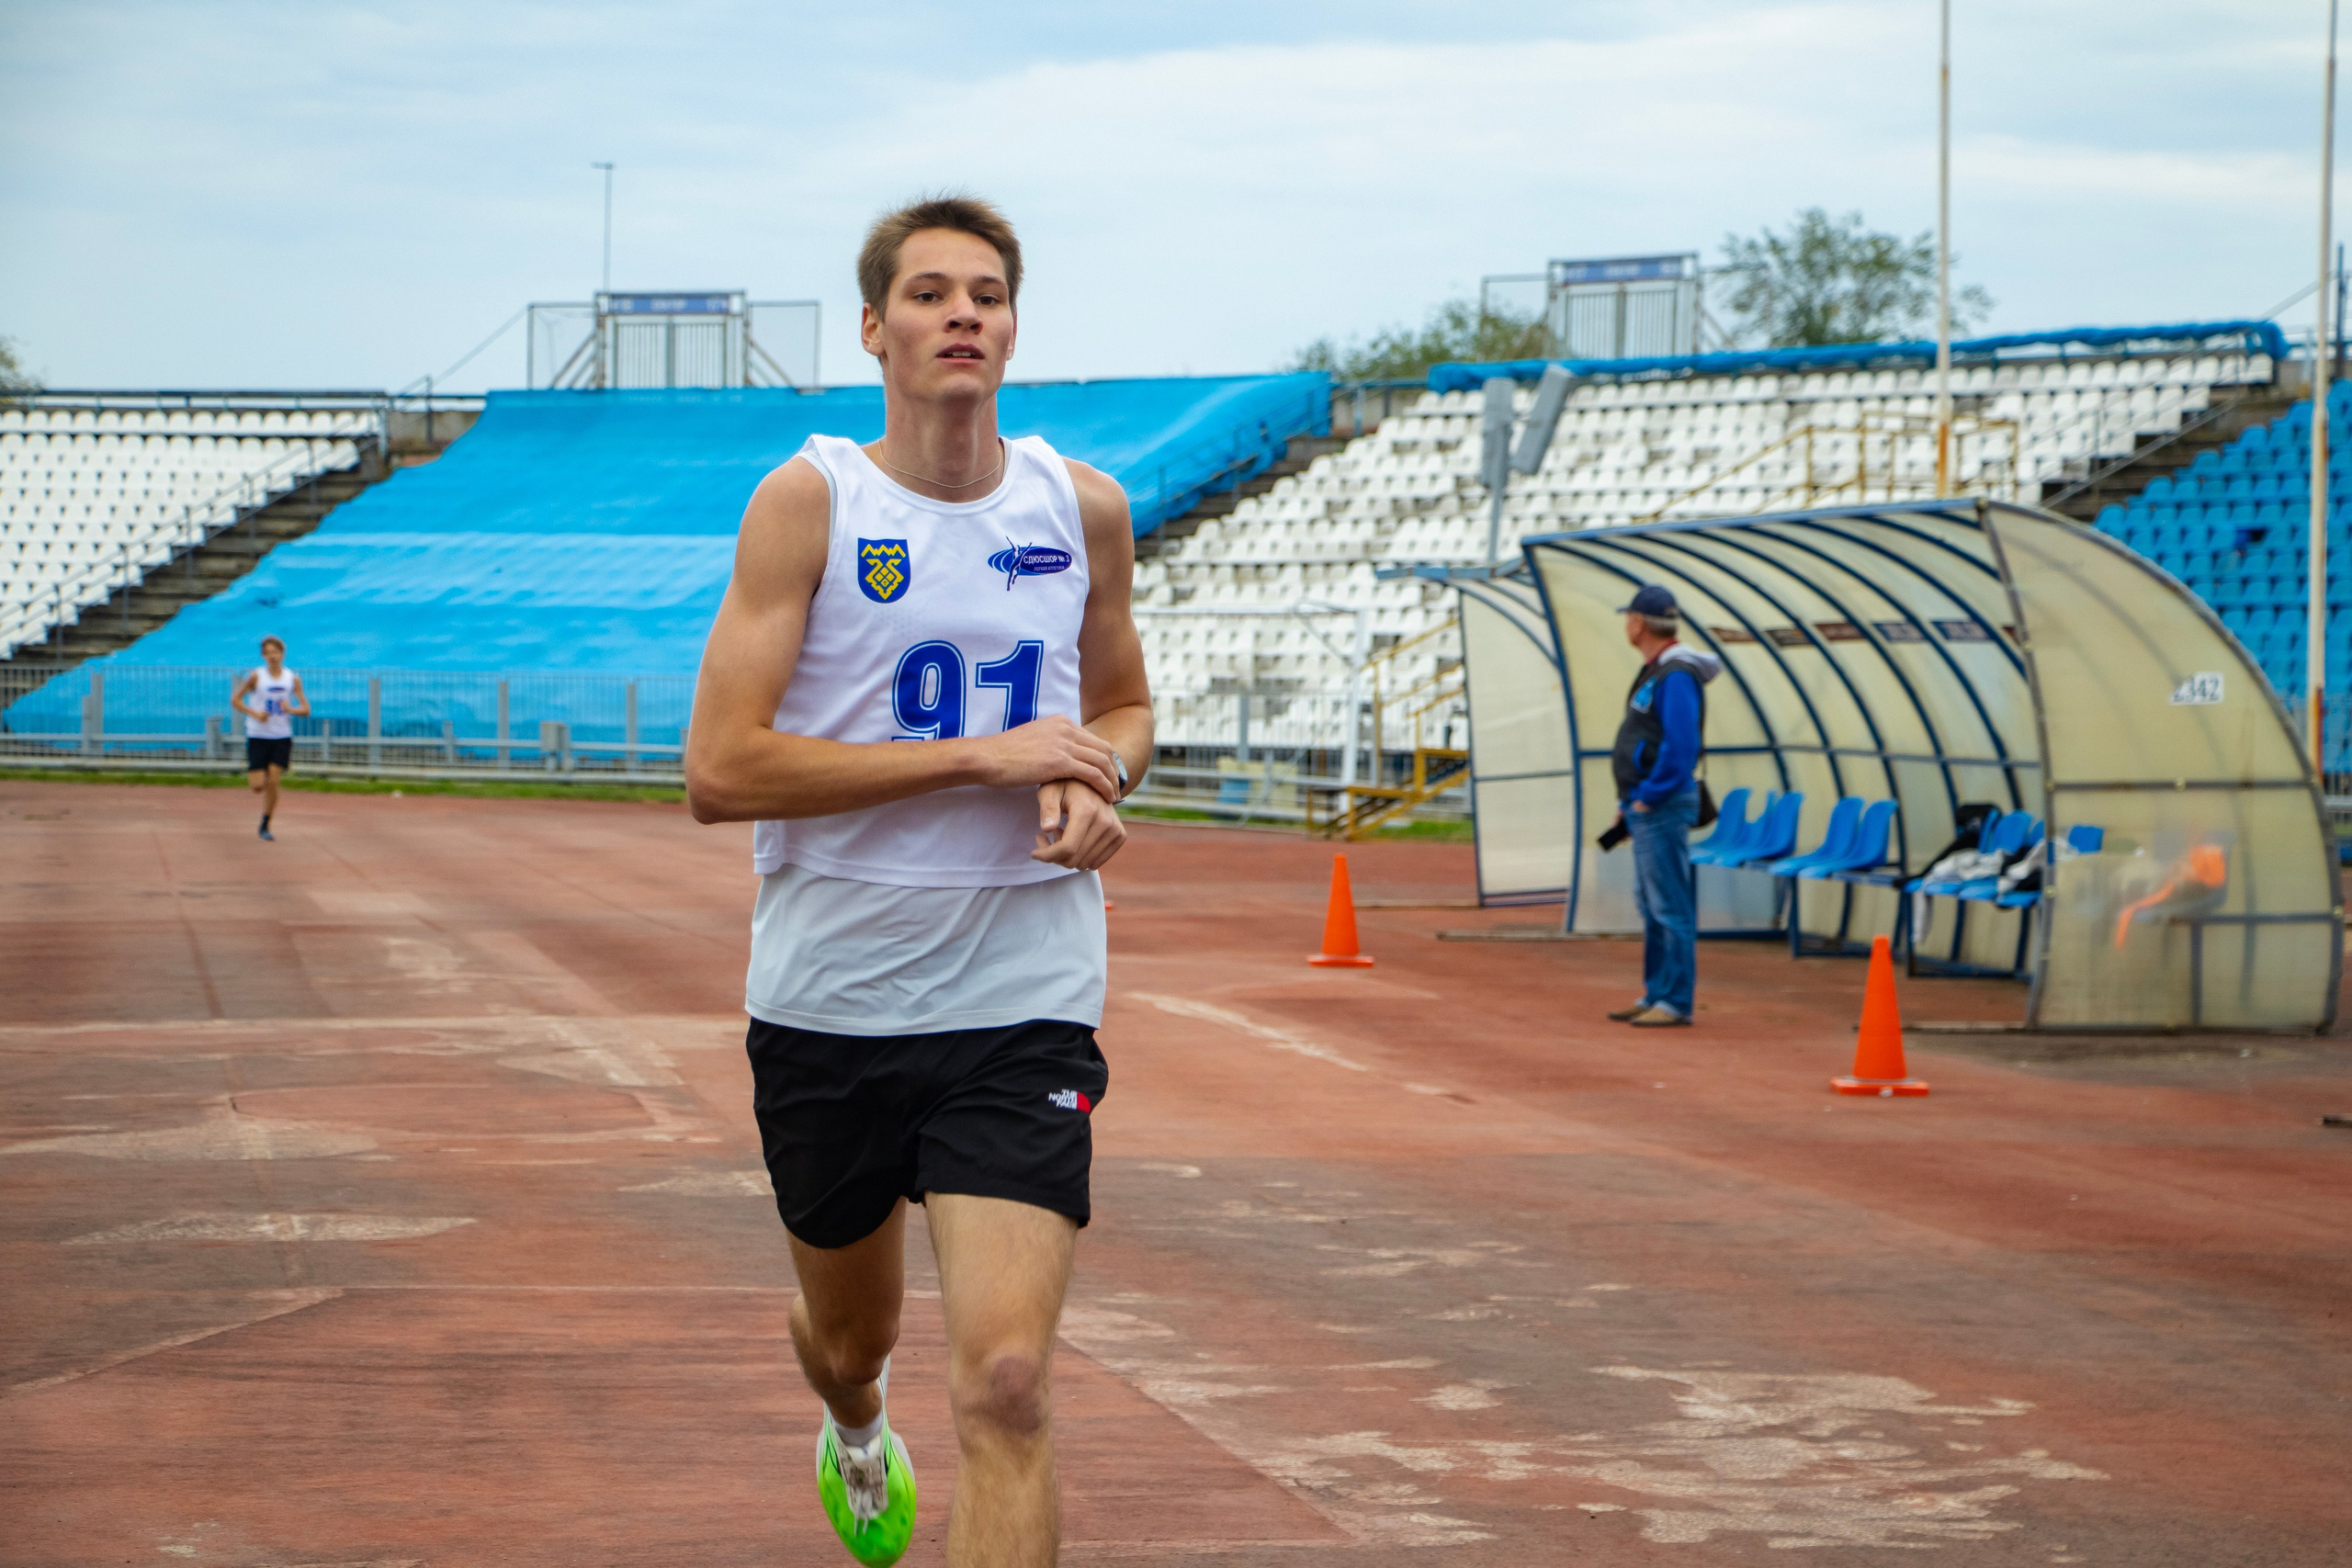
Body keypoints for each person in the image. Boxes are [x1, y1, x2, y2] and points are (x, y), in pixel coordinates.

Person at [684, 194, 1152, 1568]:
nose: (965, 313)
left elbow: (1123, 707)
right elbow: (721, 770)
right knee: (852, 1337)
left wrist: (1092, 772)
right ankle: (851, 1416)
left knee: (1009, 1380)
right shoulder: (813, 500)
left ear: (1013, 326)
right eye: (933, 292)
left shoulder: (1082, 507)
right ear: (876, 324)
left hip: (1023, 991)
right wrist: (974, 758)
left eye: (989, 294)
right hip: (834, 994)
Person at [1603, 585, 1719, 1027]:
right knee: (1651, 902)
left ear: (1640, 623)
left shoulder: (1676, 675)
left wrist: (1649, 797)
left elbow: (1681, 746)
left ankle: (1675, 1001)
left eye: (1629, 617)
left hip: (1662, 803)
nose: (1626, 625)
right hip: (1644, 802)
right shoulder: (1658, 672)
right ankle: (1657, 993)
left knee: (1669, 903)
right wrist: (1626, 801)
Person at [230, 635, 308, 841]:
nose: (273, 656)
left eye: (276, 652)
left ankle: (265, 822)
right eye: (268, 653)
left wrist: (290, 709)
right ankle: (261, 772)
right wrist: (255, 713)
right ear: (263, 656)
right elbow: (235, 700)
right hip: (258, 734)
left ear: (282, 654)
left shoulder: (292, 679)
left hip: (281, 736)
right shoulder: (257, 676)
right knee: (257, 787)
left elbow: (305, 709)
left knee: (274, 779)